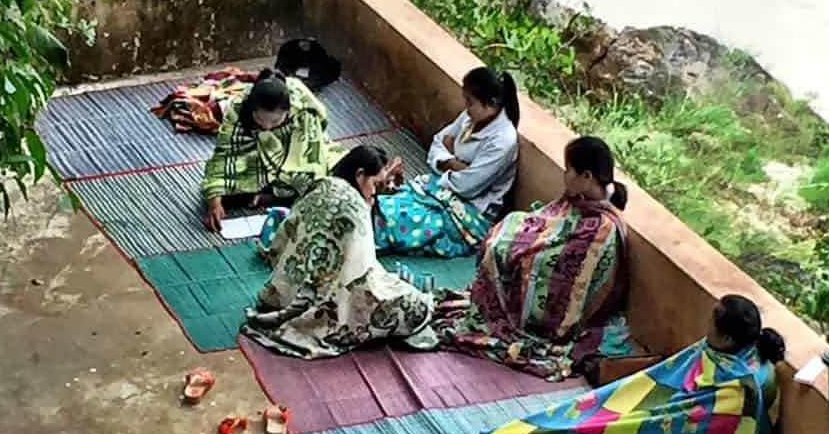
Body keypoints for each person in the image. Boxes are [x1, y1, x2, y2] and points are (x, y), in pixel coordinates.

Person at [465, 295, 785, 434]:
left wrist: (637, 420)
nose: (706, 330)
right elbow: (661, 378)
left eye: (711, 326)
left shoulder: (741, 387)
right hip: (657, 409)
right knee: (582, 413)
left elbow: (702, 430)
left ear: (728, 339)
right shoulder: (735, 353)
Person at [432, 136, 630, 380]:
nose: (564, 175)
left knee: (515, 258)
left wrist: (529, 248)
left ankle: (508, 311)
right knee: (501, 240)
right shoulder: (580, 198)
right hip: (546, 239)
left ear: (586, 177)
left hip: (552, 272)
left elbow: (572, 266)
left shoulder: (604, 227)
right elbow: (552, 219)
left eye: (569, 170)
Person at [241, 146, 435, 359]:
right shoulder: (355, 210)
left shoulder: (323, 185)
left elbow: (283, 237)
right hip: (322, 302)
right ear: (360, 175)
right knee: (414, 305)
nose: (374, 193)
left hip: (282, 292)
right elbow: (361, 274)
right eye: (375, 184)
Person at [373, 67, 520, 258]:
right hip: (442, 189)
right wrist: (455, 164)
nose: (466, 107)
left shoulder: (503, 140)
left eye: (470, 102)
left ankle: (369, 238)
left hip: (469, 210)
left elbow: (467, 186)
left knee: (404, 220)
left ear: (491, 103)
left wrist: (449, 158)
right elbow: (437, 143)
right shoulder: (471, 116)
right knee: (388, 202)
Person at [201, 68, 344, 231]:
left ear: (288, 111)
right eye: (259, 119)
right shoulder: (239, 109)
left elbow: (311, 159)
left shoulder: (303, 111)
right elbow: (223, 155)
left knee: (315, 184)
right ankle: (273, 194)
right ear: (252, 109)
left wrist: (288, 176)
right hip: (256, 155)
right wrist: (215, 200)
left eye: (276, 121)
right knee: (219, 189)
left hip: (296, 153)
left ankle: (271, 197)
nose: (267, 126)